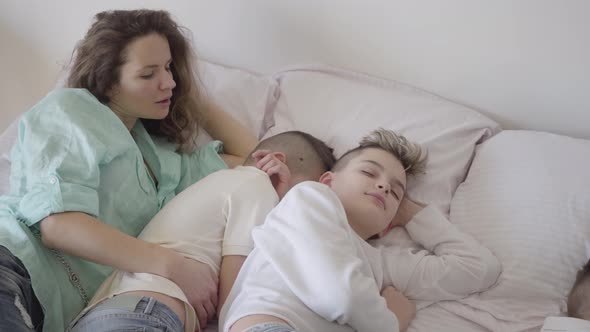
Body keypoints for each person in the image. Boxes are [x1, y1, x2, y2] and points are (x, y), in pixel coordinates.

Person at [0, 9, 257, 332]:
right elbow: (58, 225)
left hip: (50, 310)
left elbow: (252, 161)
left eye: (168, 68)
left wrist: (188, 94)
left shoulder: (165, 160)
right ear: (108, 81)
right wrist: (171, 265)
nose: (169, 82)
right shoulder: (71, 110)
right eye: (148, 75)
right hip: (12, 261)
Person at [220, 128, 503, 332]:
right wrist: (393, 321)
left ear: (387, 227)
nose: (383, 186)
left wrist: (410, 213)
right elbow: (342, 294)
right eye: (369, 173)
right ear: (327, 181)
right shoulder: (308, 200)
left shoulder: (383, 263)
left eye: (395, 191)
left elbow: (478, 268)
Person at [68, 130, 335, 332]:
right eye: (305, 193)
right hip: (147, 313)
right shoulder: (258, 185)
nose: (302, 206)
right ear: (277, 163)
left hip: (115, 312)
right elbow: (236, 297)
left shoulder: (219, 183)